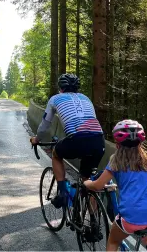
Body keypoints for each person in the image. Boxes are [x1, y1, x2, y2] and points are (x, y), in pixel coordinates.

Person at [84, 119, 147, 251]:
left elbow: (97, 186)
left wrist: (87, 183)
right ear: (140, 143)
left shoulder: (116, 161)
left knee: (113, 241)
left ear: (117, 144)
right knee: (145, 226)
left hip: (130, 214)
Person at [30, 73, 105, 208]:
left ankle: (63, 193)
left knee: (56, 154)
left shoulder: (55, 99)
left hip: (77, 139)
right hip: (99, 140)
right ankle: (93, 224)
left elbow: (45, 124)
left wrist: (37, 139)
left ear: (61, 88)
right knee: (87, 181)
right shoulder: (85, 98)